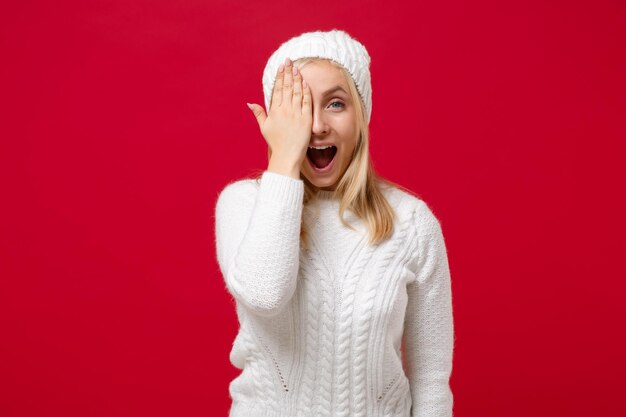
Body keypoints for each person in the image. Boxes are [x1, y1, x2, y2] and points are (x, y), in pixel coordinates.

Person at [214, 29, 454, 417]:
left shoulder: (412, 223)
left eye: (336, 104)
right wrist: (285, 160)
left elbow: (430, 382)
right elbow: (265, 294)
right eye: (300, 108)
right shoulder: (244, 203)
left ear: (361, 115)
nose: (317, 126)